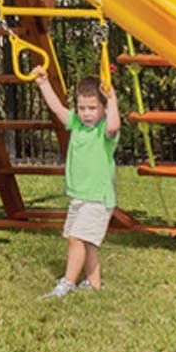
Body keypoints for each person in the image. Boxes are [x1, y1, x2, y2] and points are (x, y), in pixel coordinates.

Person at [31, 66, 120, 298]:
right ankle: (94, 283)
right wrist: (43, 84)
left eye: (92, 108)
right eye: (82, 108)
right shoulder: (78, 125)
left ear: (103, 109)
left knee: (76, 238)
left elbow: (113, 125)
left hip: (98, 198)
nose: (87, 113)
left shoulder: (104, 131)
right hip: (80, 196)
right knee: (88, 242)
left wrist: (112, 100)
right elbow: (58, 109)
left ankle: (67, 282)